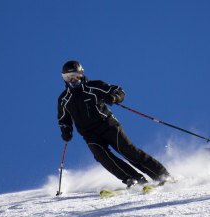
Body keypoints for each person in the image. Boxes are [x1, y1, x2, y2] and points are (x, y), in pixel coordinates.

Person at [57, 60, 170, 188]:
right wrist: (66, 130)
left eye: (76, 76)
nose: (73, 80)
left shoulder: (94, 86)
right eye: (68, 77)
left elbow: (119, 90)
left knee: (127, 151)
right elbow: (63, 119)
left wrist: (114, 97)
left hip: (108, 125)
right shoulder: (64, 99)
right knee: (103, 157)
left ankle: (162, 175)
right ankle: (133, 179)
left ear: (81, 74)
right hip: (89, 134)